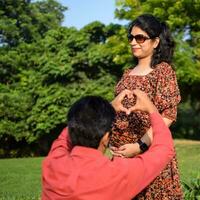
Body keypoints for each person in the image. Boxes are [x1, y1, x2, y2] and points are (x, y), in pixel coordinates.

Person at [42, 89, 175, 200]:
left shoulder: (53, 163)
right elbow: (164, 150)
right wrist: (152, 109)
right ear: (106, 137)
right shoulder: (117, 174)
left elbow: (65, 135)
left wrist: (106, 111)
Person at [109, 14, 183, 199]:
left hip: (150, 154)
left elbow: (167, 116)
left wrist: (140, 145)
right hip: (122, 158)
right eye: (131, 37)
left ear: (155, 42)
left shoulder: (163, 71)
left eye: (140, 38)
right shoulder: (126, 74)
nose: (134, 42)